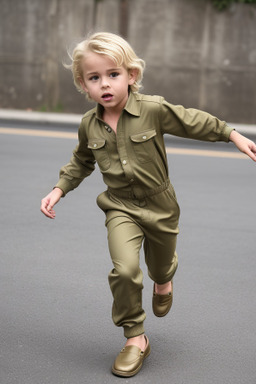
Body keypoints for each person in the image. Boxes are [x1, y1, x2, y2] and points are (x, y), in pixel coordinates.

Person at [40, 32, 256, 378]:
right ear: (84, 84)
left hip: (161, 206)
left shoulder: (152, 109)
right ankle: (135, 338)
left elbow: (193, 120)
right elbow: (81, 161)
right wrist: (58, 189)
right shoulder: (88, 125)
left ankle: (164, 279)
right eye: (94, 78)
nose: (105, 84)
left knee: (158, 265)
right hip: (119, 207)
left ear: (131, 76)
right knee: (124, 270)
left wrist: (233, 135)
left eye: (113, 74)